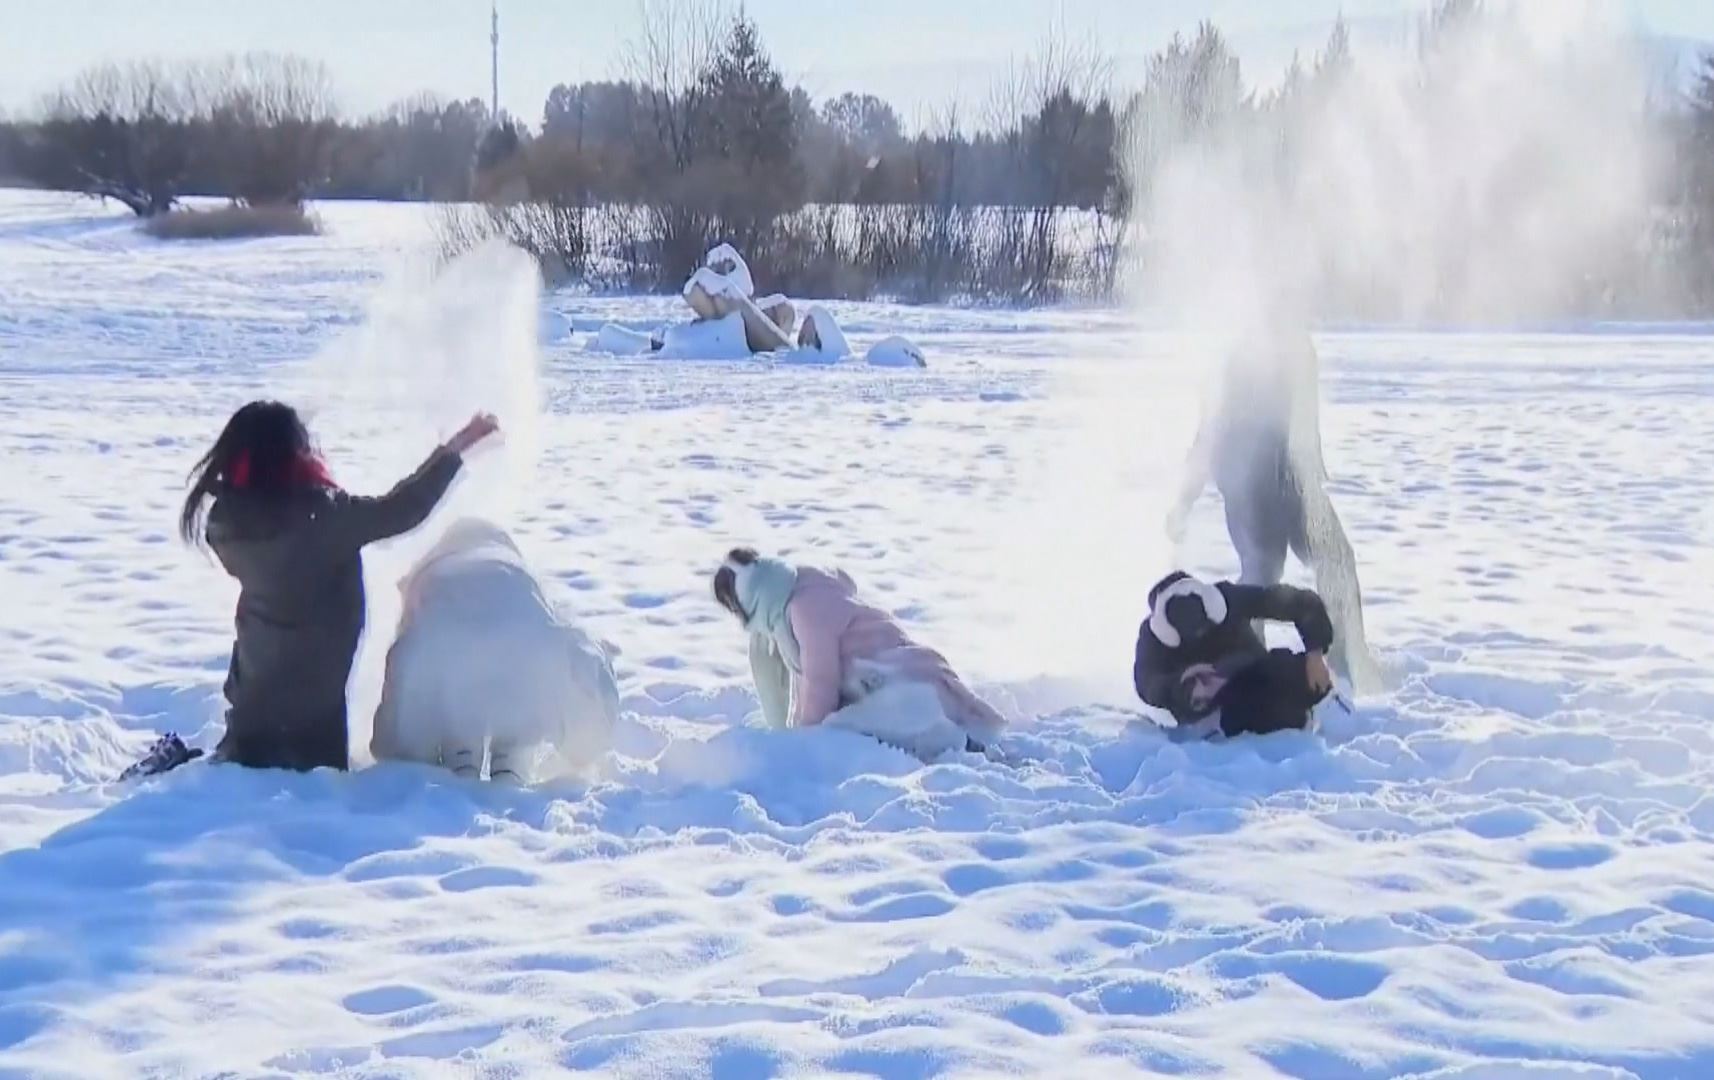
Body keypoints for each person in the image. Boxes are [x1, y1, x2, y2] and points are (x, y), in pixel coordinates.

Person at [179, 401, 498, 771]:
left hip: (250, 713)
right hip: (311, 730)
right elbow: (399, 510)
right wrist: (453, 451)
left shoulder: (225, 522)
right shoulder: (321, 517)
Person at [1165, 324, 1377, 690]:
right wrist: (1185, 499)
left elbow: (1304, 421)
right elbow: (1210, 429)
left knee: (1337, 558)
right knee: (1261, 570)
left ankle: (1347, 663)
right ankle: (1249, 671)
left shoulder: (1299, 344)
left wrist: (1309, 474)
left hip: (1295, 481)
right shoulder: (1239, 353)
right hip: (1250, 482)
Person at [371, 518, 618, 783]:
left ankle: (461, 752)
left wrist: (394, 743)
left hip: (449, 672)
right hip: (522, 674)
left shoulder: (428, 575)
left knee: (446, 697)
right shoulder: (518, 573)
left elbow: (408, 653)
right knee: (521, 686)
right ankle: (511, 755)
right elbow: (555, 639)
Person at [712, 548, 1005, 760]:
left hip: (905, 679)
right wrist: (795, 729)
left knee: (843, 727)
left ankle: (958, 744)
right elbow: (806, 680)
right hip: (887, 678)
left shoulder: (804, 608)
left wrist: (806, 740)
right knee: (844, 722)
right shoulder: (791, 592)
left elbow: (820, 680)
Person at [1133, 570, 1335, 738]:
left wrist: (1315, 653)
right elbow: (1147, 683)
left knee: (1296, 673)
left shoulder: (1226, 598)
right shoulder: (1152, 637)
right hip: (1210, 709)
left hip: (1255, 674)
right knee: (1244, 712)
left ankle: (1327, 709)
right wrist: (1181, 684)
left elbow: (1301, 603)